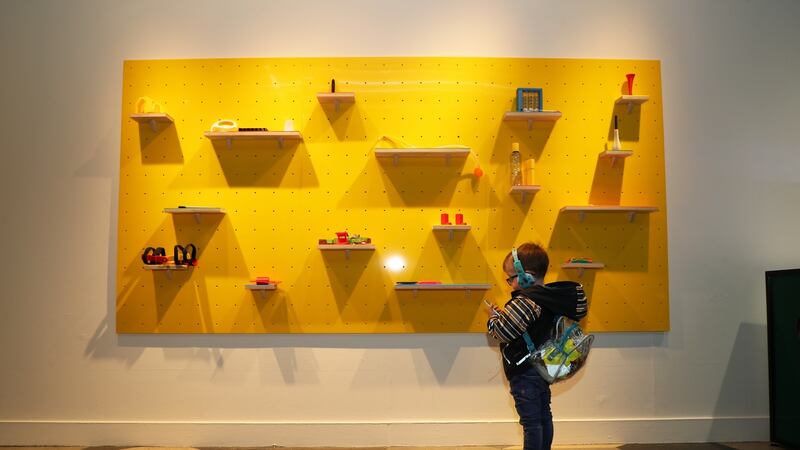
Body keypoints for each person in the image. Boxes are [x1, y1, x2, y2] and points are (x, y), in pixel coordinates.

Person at [485, 243, 588, 450]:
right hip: (541, 367)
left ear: (526, 276)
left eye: (511, 277)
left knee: (531, 423)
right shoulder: (547, 298)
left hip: (525, 371)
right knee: (543, 416)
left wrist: (492, 320)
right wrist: (502, 316)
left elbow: (503, 332)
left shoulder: (525, 301)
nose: (509, 283)